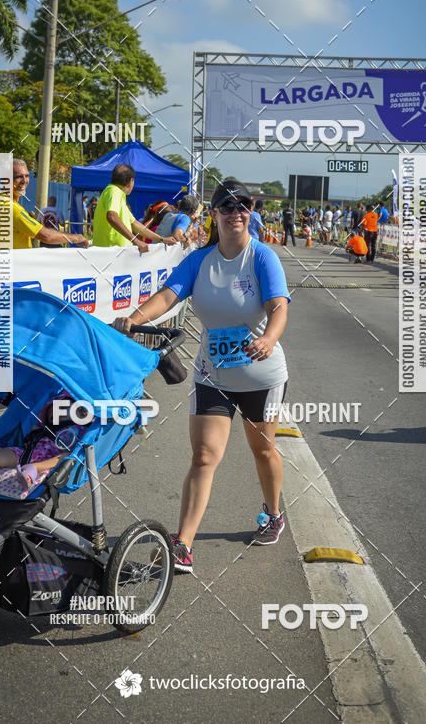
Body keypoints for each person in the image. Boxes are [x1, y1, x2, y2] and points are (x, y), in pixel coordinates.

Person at [112, 179, 291, 573]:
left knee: (262, 450)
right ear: (214, 214)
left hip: (261, 377)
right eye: (227, 206)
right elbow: (167, 296)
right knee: (204, 456)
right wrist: (132, 319)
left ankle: (273, 512)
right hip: (214, 376)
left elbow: (279, 307)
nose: (236, 213)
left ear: (250, 212)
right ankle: (183, 545)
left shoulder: (262, 257)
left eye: (243, 206)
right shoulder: (199, 261)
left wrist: (269, 339)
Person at [93, 164, 177, 253]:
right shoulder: (114, 191)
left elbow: (135, 225)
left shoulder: (117, 194)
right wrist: (135, 240)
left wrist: (161, 239)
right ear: (131, 181)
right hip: (111, 252)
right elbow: (111, 216)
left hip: (117, 252)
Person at [10, 159, 88, 249]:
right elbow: (46, 235)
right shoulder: (12, 207)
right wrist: (76, 237)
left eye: (27, 176)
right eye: (19, 176)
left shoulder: (6, 203)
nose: (24, 180)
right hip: (50, 240)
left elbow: (38, 225)